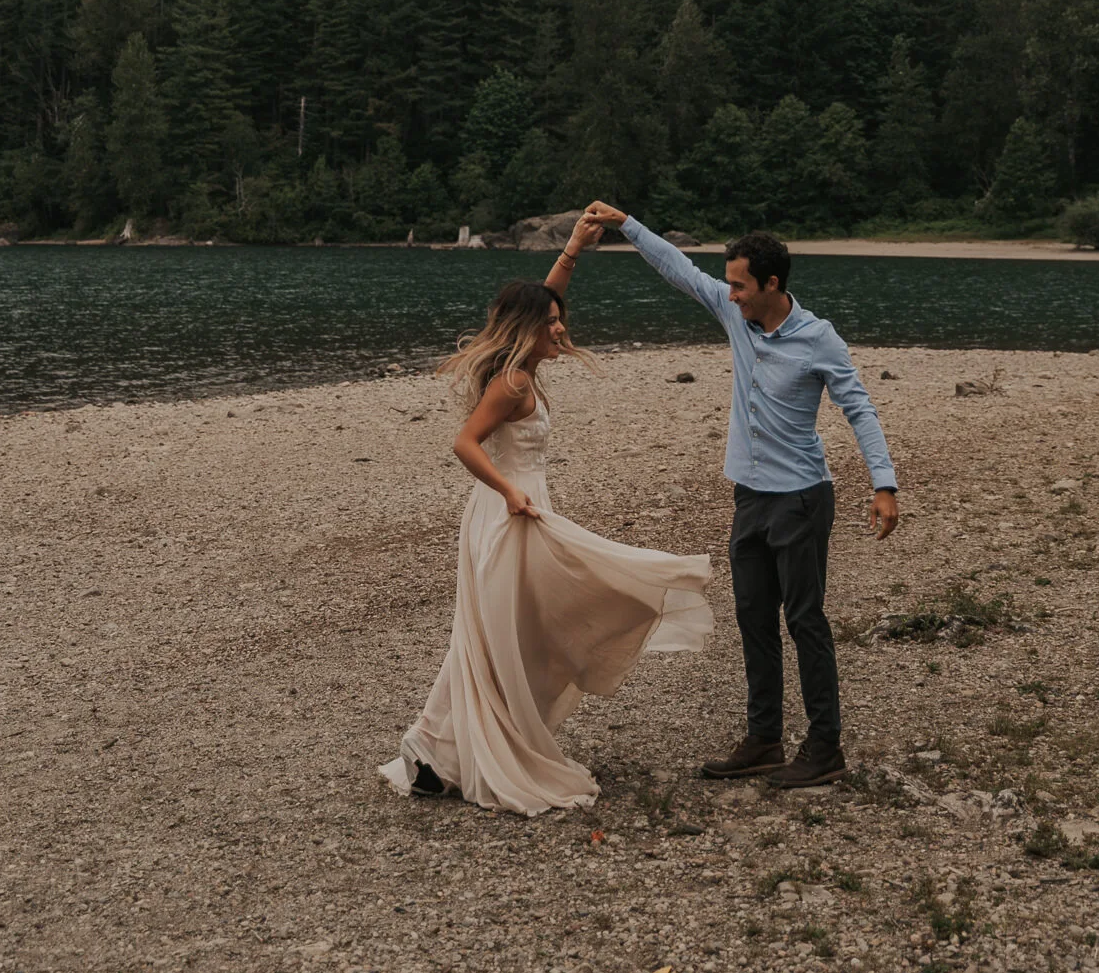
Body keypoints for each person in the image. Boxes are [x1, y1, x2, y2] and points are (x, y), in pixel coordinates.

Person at [379, 211, 713, 815]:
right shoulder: (511, 383)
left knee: (510, 634)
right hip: (508, 515)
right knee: (498, 636)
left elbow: (546, 298)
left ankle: (432, 748)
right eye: (552, 324)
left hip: (522, 510)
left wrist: (576, 250)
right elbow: (464, 443)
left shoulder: (525, 367)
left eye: (560, 321)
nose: (561, 330)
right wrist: (507, 492)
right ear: (529, 330)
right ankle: (436, 747)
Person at [584, 203, 898, 788]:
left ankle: (825, 746)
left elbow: (859, 407)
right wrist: (627, 225)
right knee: (754, 617)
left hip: (802, 498)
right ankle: (764, 738)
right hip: (750, 497)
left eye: (739, 285)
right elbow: (679, 269)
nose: (729, 294)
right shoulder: (736, 318)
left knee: (804, 619)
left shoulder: (818, 338)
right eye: (728, 284)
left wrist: (884, 484)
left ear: (771, 284)